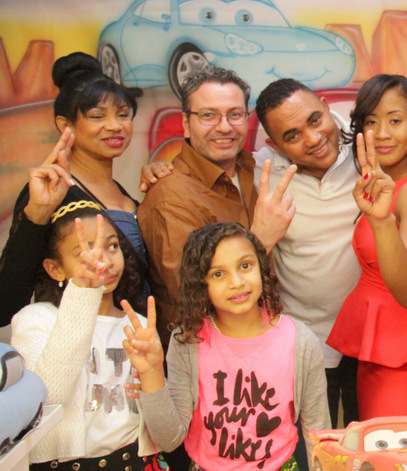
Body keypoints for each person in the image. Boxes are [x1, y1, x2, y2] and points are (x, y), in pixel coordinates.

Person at [124, 222, 329, 470]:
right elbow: (169, 440)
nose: (237, 282)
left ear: (261, 267)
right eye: (218, 274)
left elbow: (318, 434)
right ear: (200, 284)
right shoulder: (188, 340)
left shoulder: (300, 341)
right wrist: (151, 374)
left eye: (245, 265)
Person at [326, 74, 407, 420]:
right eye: (371, 122)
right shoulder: (384, 182)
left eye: (395, 121)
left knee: (403, 448)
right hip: (379, 352)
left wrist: (382, 222)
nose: (381, 133)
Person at [137, 66, 295, 346]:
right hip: (208, 353)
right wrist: (261, 241)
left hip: (263, 339)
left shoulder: (251, 168)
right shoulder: (171, 197)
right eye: (208, 115)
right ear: (186, 123)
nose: (224, 127)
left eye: (235, 114)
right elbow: (193, 297)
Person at [11, 202, 164, 470]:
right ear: (55, 269)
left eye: (112, 246)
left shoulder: (138, 324)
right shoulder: (35, 319)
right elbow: (48, 398)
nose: (103, 260)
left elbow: (161, 426)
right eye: (86, 252)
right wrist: (83, 290)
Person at [0, 52, 146, 326]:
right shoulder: (49, 192)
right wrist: (38, 211)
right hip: (76, 343)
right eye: (97, 116)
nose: (114, 125)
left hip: (133, 342)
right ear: (65, 125)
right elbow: (5, 302)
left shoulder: (126, 193)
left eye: (123, 114)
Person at [254, 78, 361, 427]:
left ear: (327, 107)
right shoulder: (259, 172)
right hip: (304, 342)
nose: (313, 139)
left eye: (315, 120)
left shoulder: (367, 148)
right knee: (314, 445)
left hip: (370, 339)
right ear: (274, 144)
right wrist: (159, 172)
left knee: (369, 441)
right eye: (292, 135)